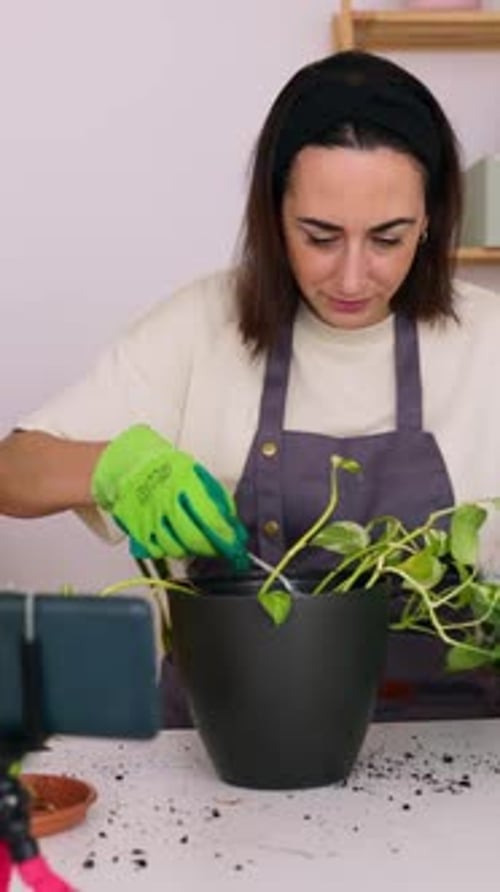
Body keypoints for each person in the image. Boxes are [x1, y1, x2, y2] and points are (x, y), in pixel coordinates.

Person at [2, 49, 500, 724]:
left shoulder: (487, 340)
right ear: (274, 213)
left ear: (432, 218)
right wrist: (114, 468)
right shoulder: (202, 326)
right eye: (320, 236)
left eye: (388, 237)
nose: (353, 278)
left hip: (449, 754)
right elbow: (13, 473)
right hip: (228, 742)